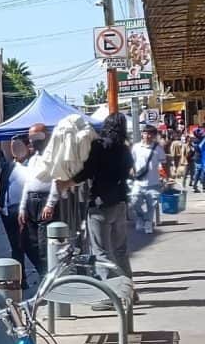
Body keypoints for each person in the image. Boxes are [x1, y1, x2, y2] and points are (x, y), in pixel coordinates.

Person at [57, 113, 135, 287]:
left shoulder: (99, 146)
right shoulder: (124, 149)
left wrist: (66, 183)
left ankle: (110, 294)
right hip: (121, 202)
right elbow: (129, 170)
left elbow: (88, 172)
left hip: (101, 204)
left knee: (102, 252)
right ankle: (128, 290)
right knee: (120, 250)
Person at [0, 138, 39, 289]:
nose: (15, 149)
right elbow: (2, 185)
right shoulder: (9, 165)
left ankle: (44, 274)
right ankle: (20, 280)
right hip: (8, 212)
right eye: (13, 147)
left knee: (29, 245)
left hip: (26, 211)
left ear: (27, 147)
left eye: (18, 146)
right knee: (16, 247)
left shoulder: (33, 164)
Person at [18, 123, 58, 276]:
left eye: (36, 137)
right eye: (31, 137)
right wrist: (22, 207)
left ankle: (49, 278)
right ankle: (43, 274)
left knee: (43, 245)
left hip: (44, 200)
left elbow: (57, 180)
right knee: (29, 243)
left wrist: (50, 204)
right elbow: (27, 183)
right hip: (30, 200)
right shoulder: (33, 158)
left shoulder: (53, 156)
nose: (32, 141)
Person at [131, 124, 167, 233]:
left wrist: (167, 176)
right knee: (134, 201)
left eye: (150, 134)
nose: (148, 136)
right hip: (138, 182)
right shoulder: (136, 147)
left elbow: (164, 163)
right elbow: (131, 162)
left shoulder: (158, 149)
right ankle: (141, 218)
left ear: (154, 135)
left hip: (153, 182)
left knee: (151, 205)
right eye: (146, 133)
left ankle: (148, 223)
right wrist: (131, 170)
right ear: (142, 134)